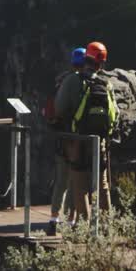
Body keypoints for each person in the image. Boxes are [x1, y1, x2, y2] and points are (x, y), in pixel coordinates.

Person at [63, 41, 117, 229]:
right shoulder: (106, 84)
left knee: (80, 184)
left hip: (79, 139)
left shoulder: (74, 81)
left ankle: (85, 228)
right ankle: (106, 226)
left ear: (86, 58)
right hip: (99, 140)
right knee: (102, 184)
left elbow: (60, 108)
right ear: (101, 64)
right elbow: (114, 114)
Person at [44, 47, 86, 236]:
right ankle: (71, 220)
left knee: (61, 179)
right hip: (83, 137)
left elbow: (58, 108)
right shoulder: (88, 81)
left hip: (65, 136)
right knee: (76, 180)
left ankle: (54, 219)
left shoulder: (66, 80)